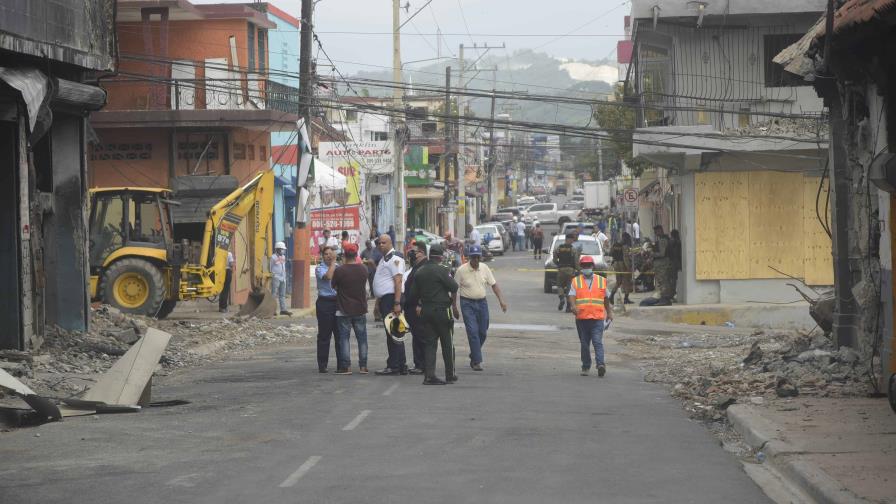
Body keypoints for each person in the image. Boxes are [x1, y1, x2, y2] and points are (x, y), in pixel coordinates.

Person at [410, 243, 459, 385]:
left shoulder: (420, 271)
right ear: (441, 256)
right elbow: (454, 287)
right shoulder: (442, 270)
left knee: (430, 344)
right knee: (447, 343)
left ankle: (429, 375)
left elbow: (413, 295)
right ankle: (450, 374)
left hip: (426, 312)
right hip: (442, 312)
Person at [454, 245, 507, 371]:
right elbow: (454, 290)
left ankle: (474, 355)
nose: (476, 260)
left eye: (478, 257)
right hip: (467, 303)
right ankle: (477, 361)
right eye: (474, 257)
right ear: (469, 258)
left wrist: (501, 301)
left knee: (482, 332)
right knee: (473, 332)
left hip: (482, 303)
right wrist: (454, 307)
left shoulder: (485, 268)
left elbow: (494, 285)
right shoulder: (461, 270)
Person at [568, 256, 613, 377]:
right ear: (581, 267)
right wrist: (573, 306)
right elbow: (572, 295)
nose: (586, 268)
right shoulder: (575, 281)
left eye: (588, 265)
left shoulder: (601, 280)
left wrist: (609, 312)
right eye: (584, 266)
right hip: (582, 318)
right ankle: (586, 366)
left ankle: (600, 364)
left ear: (592, 266)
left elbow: (606, 298)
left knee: (597, 342)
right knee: (584, 344)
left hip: (597, 318)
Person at [331, 243, 369, 375]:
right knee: (362, 339)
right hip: (360, 309)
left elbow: (333, 286)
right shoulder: (364, 269)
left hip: (343, 309)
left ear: (345, 255)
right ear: (356, 254)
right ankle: (363, 367)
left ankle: (346, 367)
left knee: (344, 339)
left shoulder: (340, 270)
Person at [373, 234, 408, 375]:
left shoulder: (395, 258)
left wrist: (397, 302)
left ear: (390, 243)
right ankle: (400, 365)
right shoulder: (384, 258)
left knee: (394, 333)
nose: (381, 245)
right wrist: (377, 302)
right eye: (379, 243)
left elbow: (398, 281)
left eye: (384, 242)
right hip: (386, 299)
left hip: (392, 299)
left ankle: (394, 366)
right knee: (395, 333)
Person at [402, 242, 427, 375]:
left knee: (421, 336)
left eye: (414, 251)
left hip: (417, 308)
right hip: (411, 307)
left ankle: (423, 364)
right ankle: (419, 363)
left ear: (421, 253)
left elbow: (425, 288)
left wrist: (420, 304)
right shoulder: (416, 266)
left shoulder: (424, 267)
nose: (411, 253)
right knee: (416, 336)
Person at [314, 247, 339, 373]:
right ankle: (322, 364)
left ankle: (342, 364)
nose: (329, 256)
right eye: (326, 254)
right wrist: (334, 263)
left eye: (331, 254)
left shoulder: (339, 266)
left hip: (337, 302)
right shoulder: (319, 268)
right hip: (325, 303)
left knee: (339, 335)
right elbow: (328, 276)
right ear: (322, 256)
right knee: (324, 335)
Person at [554, 232, 580, 312]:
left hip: (561, 269)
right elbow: (576, 261)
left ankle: (561, 298)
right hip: (570, 270)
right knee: (569, 288)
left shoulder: (559, 248)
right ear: (570, 239)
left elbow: (554, 259)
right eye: (572, 239)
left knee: (559, 286)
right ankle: (568, 307)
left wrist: (558, 264)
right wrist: (578, 269)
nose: (572, 241)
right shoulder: (573, 249)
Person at [609, 232, 634, 305]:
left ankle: (611, 296)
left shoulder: (615, 244)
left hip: (615, 264)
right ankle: (626, 298)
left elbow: (610, 253)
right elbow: (625, 258)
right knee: (626, 281)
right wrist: (628, 268)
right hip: (622, 264)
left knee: (618, 282)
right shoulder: (624, 245)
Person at [651, 225, 672, 305]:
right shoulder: (662, 239)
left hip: (662, 264)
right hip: (662, 264)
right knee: (663, 281)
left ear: (660, 230)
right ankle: (665, 298)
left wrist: (652, 254)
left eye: (656, 231)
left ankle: (664, 299)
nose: (655, 233)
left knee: (662, 281)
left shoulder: (663, 240)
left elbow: (662, 253)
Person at [270, 241, 290, 315]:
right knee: (274, 294)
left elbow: (283, 266)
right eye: (282, 249)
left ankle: (283, 309)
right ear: (277, 249)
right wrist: (273, 275)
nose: (283, 250)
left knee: (282, 294)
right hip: (276, 277)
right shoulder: (273, 257)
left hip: (283, 278)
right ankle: (272, 310)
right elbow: (270, 267)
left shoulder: (283, 257)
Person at [669, 229, 682, 302]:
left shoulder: (672, 241)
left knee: (673, 280)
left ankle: (672, 294)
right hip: (675, 262)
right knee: (674, 280)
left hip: (673, 262)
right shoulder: (676, 242)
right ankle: (672, 294)